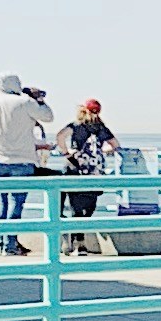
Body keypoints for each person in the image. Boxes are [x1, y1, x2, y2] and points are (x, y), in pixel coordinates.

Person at [0, 74, 55, 257]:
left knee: (3, 202)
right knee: (16, 204)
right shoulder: (25, 103)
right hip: (22, 161)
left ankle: (1, 244)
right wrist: (39, 100)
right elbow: (48, 117)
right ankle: (11, 245)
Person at [62, 97, 118, 253]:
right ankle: (79, 242)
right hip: (94, 172)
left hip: (75, 168)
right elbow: (115, 145)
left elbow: (60, 136)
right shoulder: (101, 127)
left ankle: (75, 242)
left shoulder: (75, 125)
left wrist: (66, 153)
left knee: (76, 208)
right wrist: (100, 152)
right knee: (89, 207)